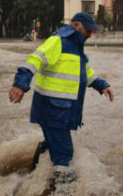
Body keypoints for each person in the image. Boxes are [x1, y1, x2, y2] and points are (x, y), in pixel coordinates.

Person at [8, 12, 114, 184]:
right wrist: (20, 84)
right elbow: (35, 60)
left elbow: (85, 73)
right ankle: (64, 188)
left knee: (52, 145)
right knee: (64, 154)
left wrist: (102, 86)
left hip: (59, 110)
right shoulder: (59, 41)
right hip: (53, 109)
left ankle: (32, 174)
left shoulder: (76, 47)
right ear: (76, 25)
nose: (90, 34)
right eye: (88, 30)